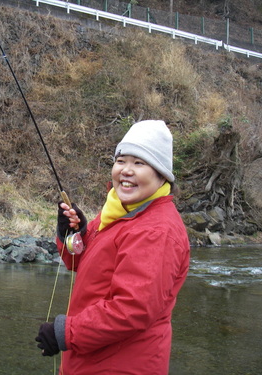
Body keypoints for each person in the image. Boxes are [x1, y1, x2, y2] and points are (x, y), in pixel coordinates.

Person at [35, 120, 190, 375]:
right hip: (87, 362)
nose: (126, 171)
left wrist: (65, 333)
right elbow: (83, 262)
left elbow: (131, 310)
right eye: (121, 161)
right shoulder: (118, 211)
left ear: (161, 174)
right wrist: (73, 234)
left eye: (139, 163)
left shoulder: (156, 231)